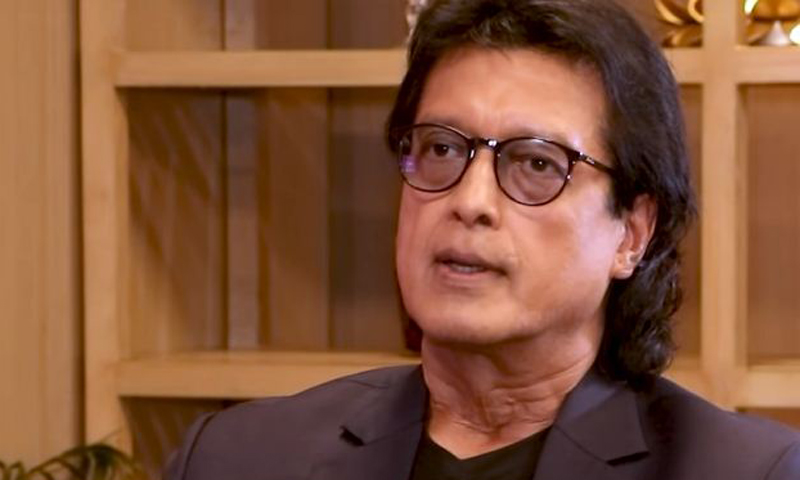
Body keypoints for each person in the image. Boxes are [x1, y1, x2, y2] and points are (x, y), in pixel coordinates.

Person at [164, 1, 800, 479]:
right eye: (442, 149)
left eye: (537, 163)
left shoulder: (744, 471)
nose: (469, 202)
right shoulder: (235, 458)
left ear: (631, 233)